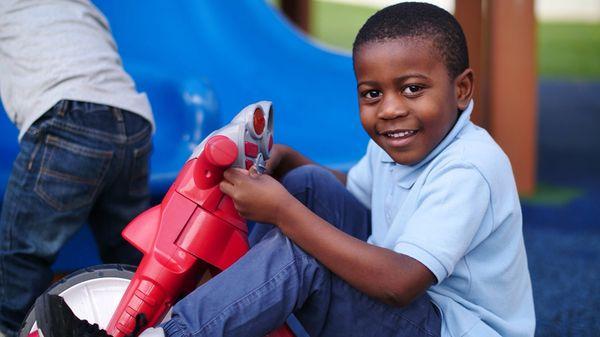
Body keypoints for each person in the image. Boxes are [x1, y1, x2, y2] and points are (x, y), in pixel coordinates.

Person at [34, 2, 535, 337]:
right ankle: (240, 303)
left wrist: (286, 214)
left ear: (462, 89)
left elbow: (399, 283)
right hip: (411, 300)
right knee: (309, 186)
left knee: (303, 247)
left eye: (412, 89)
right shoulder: (400, 143)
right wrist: (293, 163)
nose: (390, 110)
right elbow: (355, 197)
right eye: (372, 94)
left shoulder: (470, 166)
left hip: (446, 325)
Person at [0, 1, 155, 336]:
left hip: (69, 117)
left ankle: (12, 329)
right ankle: (145, 325)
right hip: (134, 122)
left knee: (21, 253)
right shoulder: (81, 8)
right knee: (128, 251)